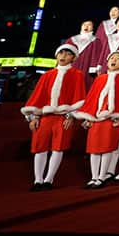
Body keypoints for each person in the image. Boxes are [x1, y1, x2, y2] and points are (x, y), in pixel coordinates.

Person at [21, 44, 87, 191]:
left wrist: (71, 115)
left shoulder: (77, 75)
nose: (63, 56)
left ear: (74, 58)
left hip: (63, 117)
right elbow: (37, 97)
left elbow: (79, 97)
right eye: (61, 53)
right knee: (40, 147)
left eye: (68, 54)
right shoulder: (46, 75)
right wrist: (33, 117)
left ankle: (48, 180)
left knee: (58, 148)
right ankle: (38, 180)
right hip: (45, 117)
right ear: (56, 56)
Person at [73, 51, 119, 188]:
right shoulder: (100, 79)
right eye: (112, 58)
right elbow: (91, 98)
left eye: (118, 59)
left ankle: (102, 177)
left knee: (107, 148)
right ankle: (94, 177)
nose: (114, 60)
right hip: (96, 119)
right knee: (94, 148)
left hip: (112, 120)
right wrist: (88, 116)